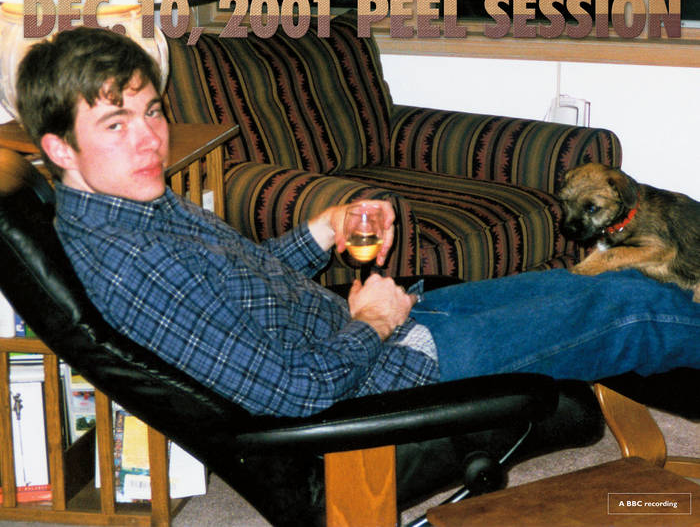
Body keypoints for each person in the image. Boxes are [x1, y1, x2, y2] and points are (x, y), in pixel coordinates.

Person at [16, 27, 700, 418]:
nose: (150, 139)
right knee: (634, 310)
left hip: (373, 329)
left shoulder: (135, 206)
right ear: (58, 148)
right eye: (115, 124)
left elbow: (242, 279)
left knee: (600, 282)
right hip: (387, 374)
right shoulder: (130, 262)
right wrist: (372, 320)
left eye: (152, 111)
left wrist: (322, 230)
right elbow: (295, 393)